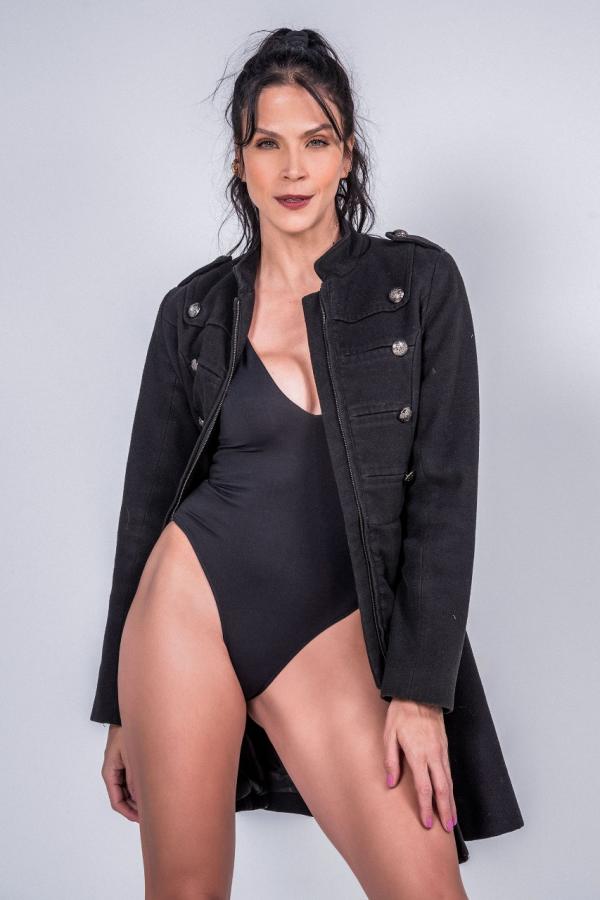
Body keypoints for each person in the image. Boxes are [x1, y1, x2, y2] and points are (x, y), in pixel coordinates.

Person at [90, 26, 524, 899]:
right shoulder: (194, 313)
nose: (293, 169)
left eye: (316, 142)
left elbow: (445, 497)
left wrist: (420, 694)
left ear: (346, 154)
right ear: (241, 159)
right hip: (185, 607)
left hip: (327, 629)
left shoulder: (417, 285)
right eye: (269, 143)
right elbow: (146, 505)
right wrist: (119, 709)